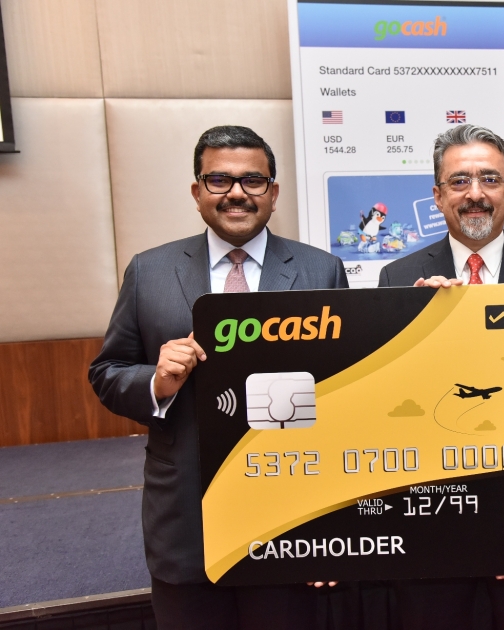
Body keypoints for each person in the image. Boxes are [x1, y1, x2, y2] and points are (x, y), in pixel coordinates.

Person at [89, 126, 348, 629]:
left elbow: (343, 398)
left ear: (273, 192)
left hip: (289, 521)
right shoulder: (149, 271)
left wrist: (333, 527)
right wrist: (157, 382)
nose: (236, 193)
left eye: (253, 180)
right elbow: (107, 373)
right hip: (186, 522)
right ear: (197, 191)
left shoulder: (321, 271)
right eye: (219, 180)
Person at [377, 124, 504, 630]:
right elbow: (390, 404)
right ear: (437, 195)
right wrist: (418, 326)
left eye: (490, 179)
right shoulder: (398, 278)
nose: (475, 194)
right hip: (435, 516)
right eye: (459, 181)